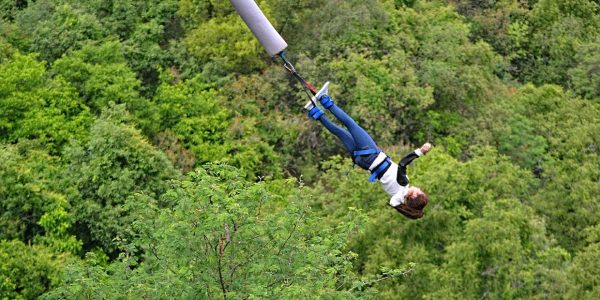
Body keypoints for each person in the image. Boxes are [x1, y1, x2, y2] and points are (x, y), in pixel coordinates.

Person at [304, 82, 431, 219]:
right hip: (362, 162)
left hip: (371, 154)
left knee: (350, 124)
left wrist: (420, 151)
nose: (419, 188)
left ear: (413, 195)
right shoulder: (395, 198)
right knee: (340, 132)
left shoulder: (404, 184)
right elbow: (394, 203)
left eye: (419, 192)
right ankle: (314, 110)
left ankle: (324, 99)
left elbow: (402, 164)